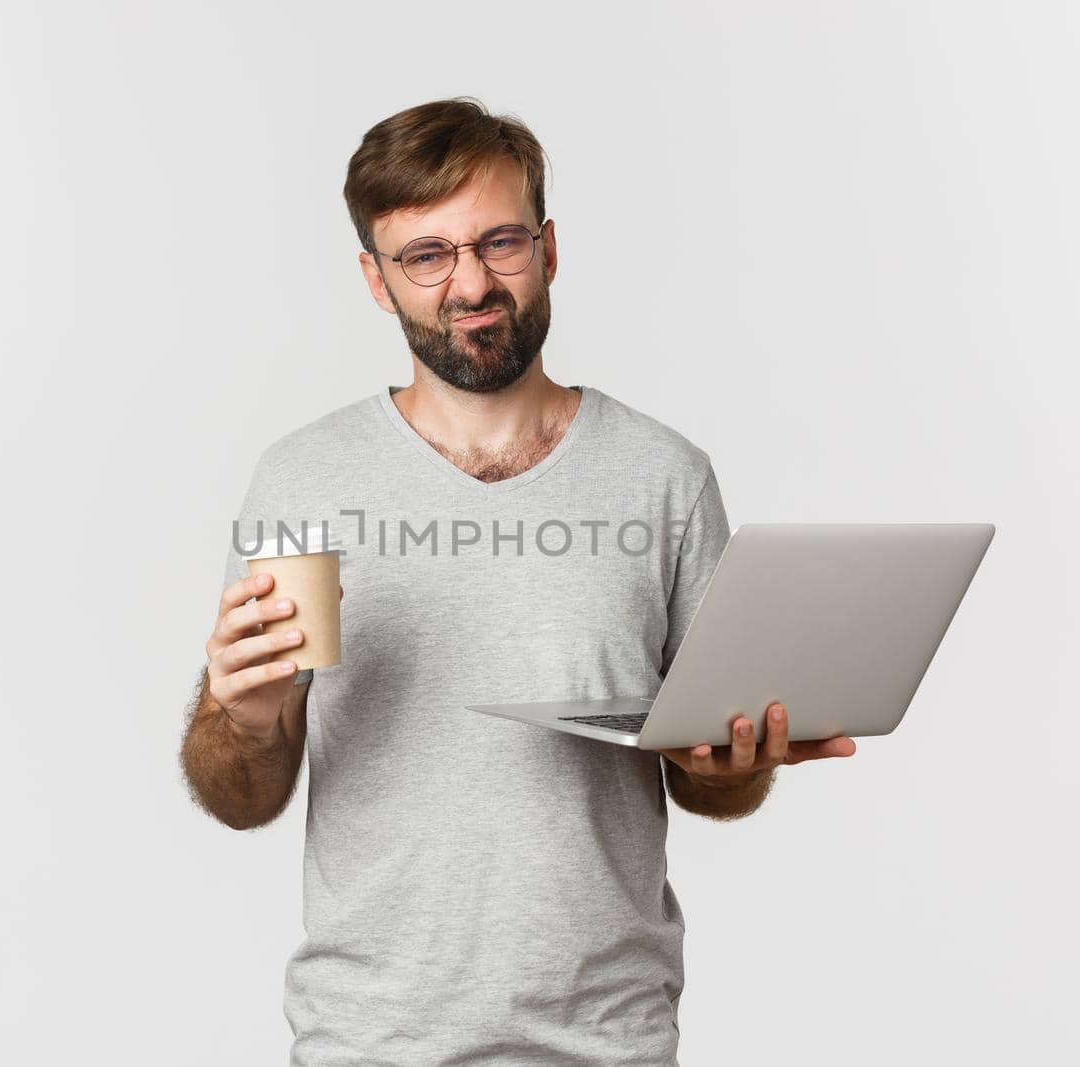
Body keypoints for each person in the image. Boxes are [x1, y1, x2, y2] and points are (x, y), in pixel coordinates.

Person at [181, 96, 856, 1066]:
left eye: (498, 241)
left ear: (546, 246)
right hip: (370, 1039)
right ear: (376, 279)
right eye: (426, 254)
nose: (470, 283)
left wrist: (732, 763)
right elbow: (244, 797)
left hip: (607, 1039)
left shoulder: (664, 474)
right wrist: (240, 718)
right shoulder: (302, 479)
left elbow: (712, 785)